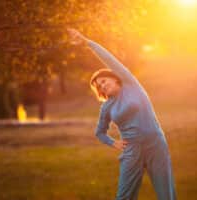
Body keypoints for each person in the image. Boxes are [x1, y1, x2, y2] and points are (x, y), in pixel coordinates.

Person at [67, 28, 177, 200]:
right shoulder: (107, 107)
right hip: (132, 150)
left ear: (114, 78)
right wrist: (113, 143)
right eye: (99, 87)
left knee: (166, 193)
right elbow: (100, 132)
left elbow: (109, 60)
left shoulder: (131, 85)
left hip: (155, 144)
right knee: (124, 196)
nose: (102, 86)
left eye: (103, 81)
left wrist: (87, 43)